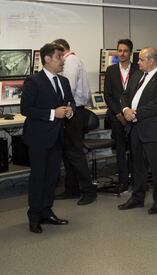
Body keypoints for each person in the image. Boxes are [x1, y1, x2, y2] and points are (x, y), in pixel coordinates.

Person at [21, 43, 75, 233]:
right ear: (47, 59)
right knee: (38, 178)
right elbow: (26, 109)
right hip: (38, 138)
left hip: (57, 138)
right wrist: (53, 113)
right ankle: (34, 217)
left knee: (52, 178)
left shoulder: (64, 81)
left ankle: (46, 211)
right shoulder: (33, 81)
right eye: (60, 57)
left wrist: (69, 111)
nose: (63, 61)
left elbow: (70, 104)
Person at [118, 47, 157, 214]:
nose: (138, 62)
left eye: (141, 59)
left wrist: (135, 114)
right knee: (138, 166)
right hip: (135, 129)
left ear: (151, 61)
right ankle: (137, 198)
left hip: (153, 129)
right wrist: (126, 109)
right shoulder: (136, 75)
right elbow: (125, 95)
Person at [52, 38, 96, 205]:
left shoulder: (70, 61)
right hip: (73, 111)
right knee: (68, 153)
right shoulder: (73, 60)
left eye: (56, 53)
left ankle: (88, 191)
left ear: (61, 50)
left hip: (74, 112)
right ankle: (72, 189)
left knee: (74, 154)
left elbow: (67, 88)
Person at [103, 39, 139, 192]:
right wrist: (119, 113)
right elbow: (108, 95)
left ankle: (136, 180)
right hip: (117, 116)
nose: (122, 54)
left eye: (125, 51)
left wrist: (129, 113)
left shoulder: (138, 69)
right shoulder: (111, 70)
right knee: (120, 150)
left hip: (134, 115)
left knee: (135, 150)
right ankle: (123, 181)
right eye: (119, 50)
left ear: (130, 52)